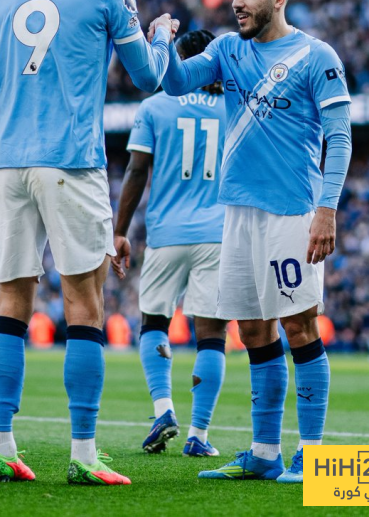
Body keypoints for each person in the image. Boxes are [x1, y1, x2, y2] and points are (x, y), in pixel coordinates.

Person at [0, 0, 178, 486]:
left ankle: (1, 447)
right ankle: (84, 454)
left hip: (9, 164)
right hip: (70, 161)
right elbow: (148, 77)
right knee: (84, 304)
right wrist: (162, 35)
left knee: (11, 302)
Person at [148, 0, 352, 483]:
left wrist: (327, 209)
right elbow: (175, 84)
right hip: (238, 213)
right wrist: (162, 41)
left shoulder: (316, 56)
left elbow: (340, 138)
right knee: (254, 331)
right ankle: (264, 454)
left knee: (299, 326)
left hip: (293, 211)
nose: (235, 1)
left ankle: (312, 457)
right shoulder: (225, 49)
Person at [112, 29, 227, 457]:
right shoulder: (232, 106)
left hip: (167, 234)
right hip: (218, 234)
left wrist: (121, 230)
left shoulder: (155, 106)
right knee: (212, 335)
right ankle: (199, 434)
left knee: (154, 323)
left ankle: (163, 410)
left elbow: (136, 171)